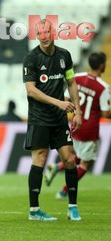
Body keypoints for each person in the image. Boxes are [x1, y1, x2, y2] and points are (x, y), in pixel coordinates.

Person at [23, 19, 82, 221]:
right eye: (40, 33)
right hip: (39, 117)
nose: (44, 36)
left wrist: (78, 110)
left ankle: (72, 207)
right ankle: (34, 211)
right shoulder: (31, 58)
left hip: (59, 119)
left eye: (47, 32)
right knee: (39, 159)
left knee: (70, 159)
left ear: (53, 32)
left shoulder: (64, 55)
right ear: (37, 35)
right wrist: (59, 103)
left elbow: (71, 82)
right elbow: (31, 91)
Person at [44, 52, 111, 198]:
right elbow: (106, 114)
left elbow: (65, 98)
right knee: (85, 164)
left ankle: (56, 167)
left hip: (75, 124)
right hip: (90, 129)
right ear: (102, 65)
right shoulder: (103, 87)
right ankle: (64, 191)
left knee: (79, 157)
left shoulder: (77, 77)